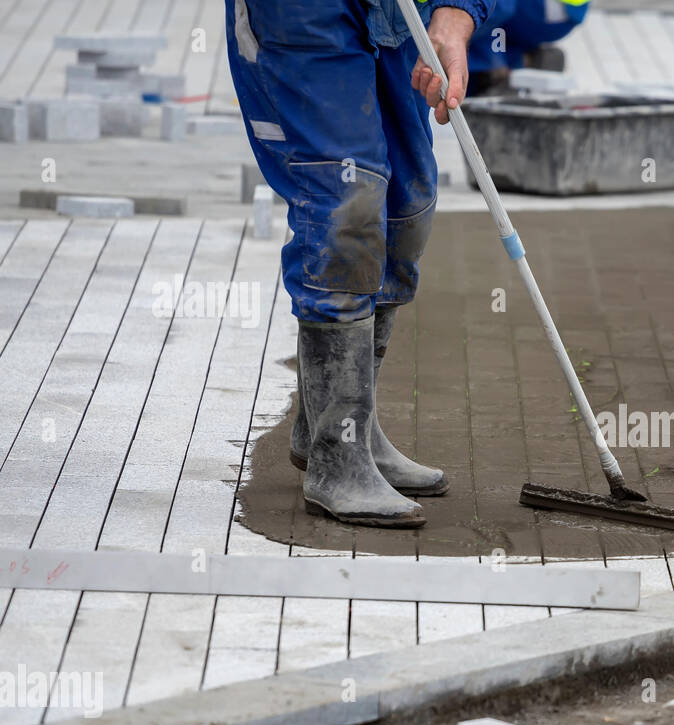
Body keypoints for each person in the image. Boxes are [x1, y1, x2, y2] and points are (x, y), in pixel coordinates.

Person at [224, 0, 493, 529]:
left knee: (406, 209)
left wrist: (457, 14)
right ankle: (336, 463)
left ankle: (348, 431)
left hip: (398, 12)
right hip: (301, 13)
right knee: (348, 205)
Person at [467, 0, 590, 96]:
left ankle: (493, 70)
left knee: (477, 11)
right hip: (568, 15)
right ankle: (520, 63)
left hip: (541, 7)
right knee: (498, 30)